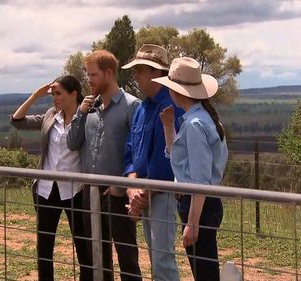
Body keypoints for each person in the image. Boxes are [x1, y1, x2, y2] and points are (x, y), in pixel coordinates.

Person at [67, 50, 142, 281]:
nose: (88, 80)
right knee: (97, 257)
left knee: (127, 256)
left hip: (118, 192)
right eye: (87, 75)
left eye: (93, 75)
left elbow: (137, 152)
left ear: (109, 73)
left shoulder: (131, 106)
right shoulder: (90, 108)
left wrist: (123, 186)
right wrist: (80, 113)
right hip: (91, 191)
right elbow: (72, 142)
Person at [10, 75, 91, 280]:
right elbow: (17, 121)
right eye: (53, 94)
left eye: (58, 94)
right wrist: (35, 95)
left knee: (83, 246)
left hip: (75, 189)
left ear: (73, 94)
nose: (54, 98)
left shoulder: (88, 116)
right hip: (46, 189)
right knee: (44, 248)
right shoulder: (50, 115)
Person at [154, 57, 228, 281]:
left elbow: (200, 179)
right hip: (202, 203)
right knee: (204, 269)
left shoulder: (195, 125)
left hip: (199, 205)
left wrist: (192, 223)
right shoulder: (200, 119)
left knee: (204, 273)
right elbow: (181, 159)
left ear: (178, 92)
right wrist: (168, 126)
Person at [121, 44, 182, 281]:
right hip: (143, 193)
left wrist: (143, 192)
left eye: (139, 71)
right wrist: (132, 185)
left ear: (155, 73)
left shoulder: (173, 106)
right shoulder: (141, 108)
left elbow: (171, 159)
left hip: (164, 194)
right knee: (156, 256)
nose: (135, 76)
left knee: (163, 259)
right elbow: (130, 152)